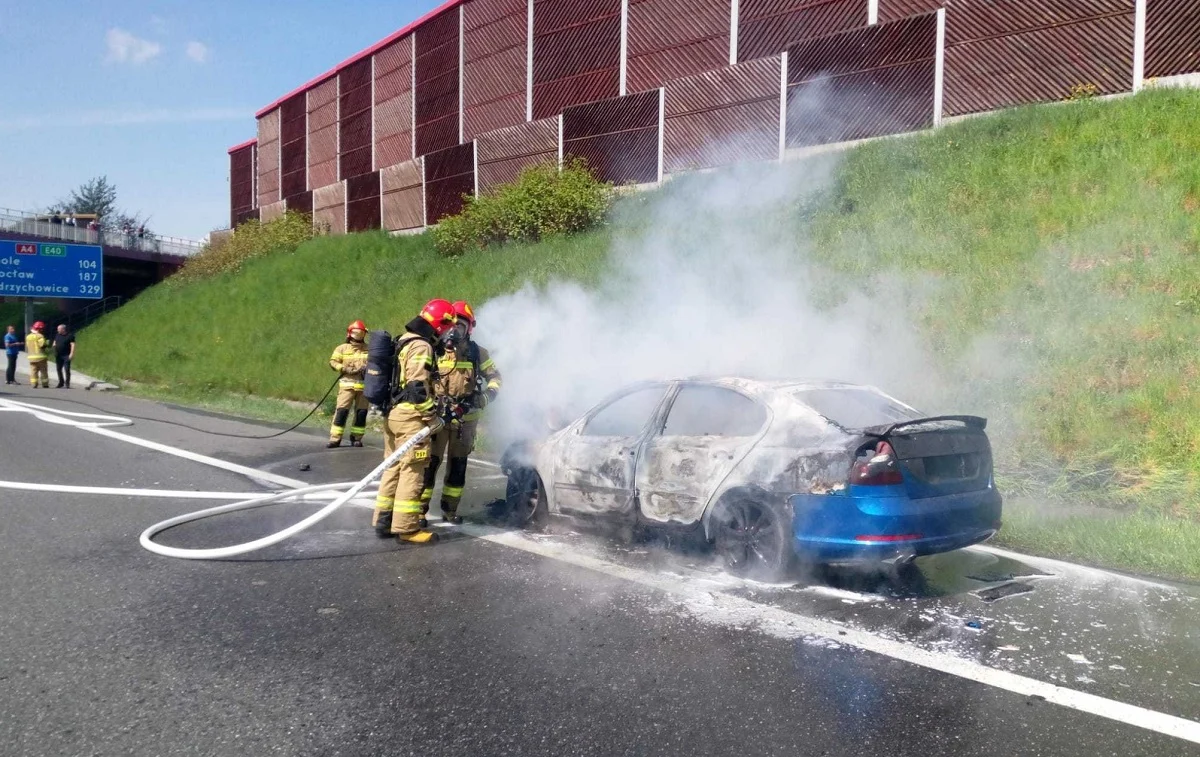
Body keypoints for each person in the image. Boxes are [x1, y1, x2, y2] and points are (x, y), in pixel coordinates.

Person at [372, 299, 458, 545]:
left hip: (394, 414)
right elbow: (417, 387)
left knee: (393, 467)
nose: (444, 334)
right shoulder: (421, 346)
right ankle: (407, 528)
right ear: (439, 323)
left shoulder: (404, 340)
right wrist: (432, 418)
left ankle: (384, 520)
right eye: (445, 327)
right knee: (412, 470)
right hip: (411, 417)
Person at [421, 300, 502, 524]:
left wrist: (484, 397)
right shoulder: (434, 350)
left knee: (458, 467)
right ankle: (419, 511)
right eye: (452, 325)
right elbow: (421, 382)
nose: (455, 330)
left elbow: (496, 378)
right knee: (429, 464)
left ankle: (450, 510)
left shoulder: (478, 353)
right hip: (438, 418)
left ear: (469, 328)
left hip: (466, 422)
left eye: (461, 326)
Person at [327, 320, 370, 448]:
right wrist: (343, 368)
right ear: (350, 333)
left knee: (361, 413)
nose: (358, 335)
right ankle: (335, 439)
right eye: (356, 332)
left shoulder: (369, 349)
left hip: (363, 387)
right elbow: (333, 362)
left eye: (361, 333)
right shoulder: (342, 348)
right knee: (342, 412)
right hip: (347, 386)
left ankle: (356, 438)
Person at [25, 321, 49, 388]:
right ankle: (45, 384)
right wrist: (47, 343)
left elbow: (28, 346)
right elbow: (42, 345)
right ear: (39, 329)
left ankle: (34, 384)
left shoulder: (28, 337)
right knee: (43, 371)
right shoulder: (40, 336)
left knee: (33, 371)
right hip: (41, 357)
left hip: (31, 358)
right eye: (42, 329)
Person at [53, 324, 75, 389]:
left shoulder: (70, 336)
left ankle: (67, 383)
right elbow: (54, 342)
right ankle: (61, 382)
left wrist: (71, 353)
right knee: (58, 369)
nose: (57, 330)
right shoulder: (57, 335)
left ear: (63, 329)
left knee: (67, 369)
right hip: (58, 355)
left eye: (59, 329)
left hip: (66, 355)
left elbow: (73, 345)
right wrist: (54, 346)